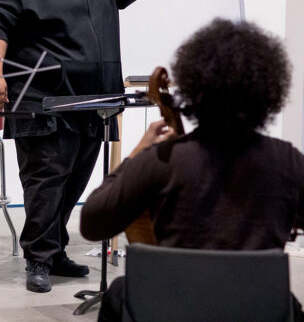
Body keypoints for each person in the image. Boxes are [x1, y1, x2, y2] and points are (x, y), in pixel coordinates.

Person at [0, 0, 164, 292]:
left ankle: (55, 249)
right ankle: (38, 258)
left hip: (93, 105)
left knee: (75, 183)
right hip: (43, 103)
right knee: (46, 183)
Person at [79, 18, 304, 322]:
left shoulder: (163, 159)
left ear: (195, 87)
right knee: (286, 301)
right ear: (268, 91)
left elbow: (93, 223)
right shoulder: (287, 162)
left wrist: (137, 153)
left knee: (119, 292)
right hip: (254, 311)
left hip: (171, 310)